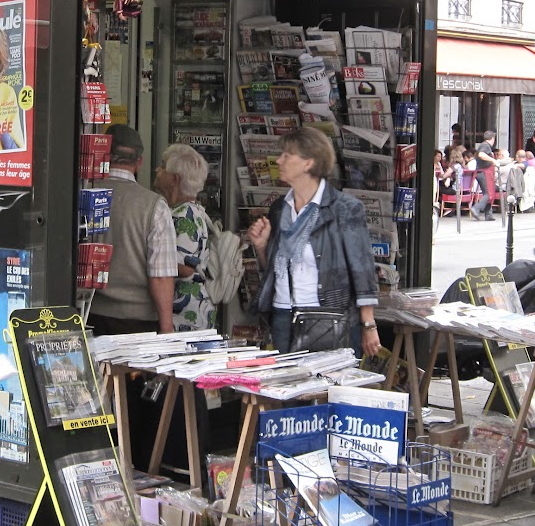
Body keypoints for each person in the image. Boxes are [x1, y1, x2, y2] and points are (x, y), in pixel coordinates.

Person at [245, 126, 381, 358]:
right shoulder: (280, 208)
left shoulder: (344, 208)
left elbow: (362, 270)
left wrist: (368, 324)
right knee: (286, 390)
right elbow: (278, 269)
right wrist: (261, 245)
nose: (279, 160)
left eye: (287, 155)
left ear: (308, 163)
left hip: (326, 317)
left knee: (326, 389)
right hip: (283, 314)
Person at [89, 124, 178, 336]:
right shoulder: (154, 207)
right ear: (139, 162)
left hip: (89, 313)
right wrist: (167, 327)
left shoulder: (84, 194)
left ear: (102, 156)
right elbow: (161, 276)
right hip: (137, 323)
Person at [155, 143, 215, 333]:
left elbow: (185, 268)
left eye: (163, 166)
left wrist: (149, 262)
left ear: (175, 179)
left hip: (185, 313)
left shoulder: (184, 215)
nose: (157, 170)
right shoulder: (193, 210)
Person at [472, 130, 498, 220]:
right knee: (488, 193)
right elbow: (481, 154)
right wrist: (493, 160)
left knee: (489, 192)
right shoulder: (485, 145)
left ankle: (488, 214)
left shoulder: (486, 146)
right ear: (493, 138)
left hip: (484, 172)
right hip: (484, 172)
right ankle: (476, 208)